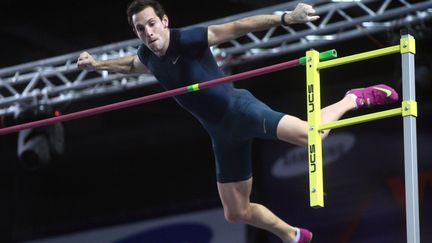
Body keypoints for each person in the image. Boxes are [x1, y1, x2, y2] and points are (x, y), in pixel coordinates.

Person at [77, 1, 399, 242]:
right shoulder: (147, 55)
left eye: (151, 24)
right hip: (221, 134)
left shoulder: (186, 39)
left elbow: (238, 27)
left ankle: (352, 99)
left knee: (310, 135)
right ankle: (291, 235)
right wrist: (98, 64)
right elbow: (131, 65)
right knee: (235, 213)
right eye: (139, 28)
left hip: (240, 111)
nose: (147, 33)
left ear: (164, 21)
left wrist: (286, 18)